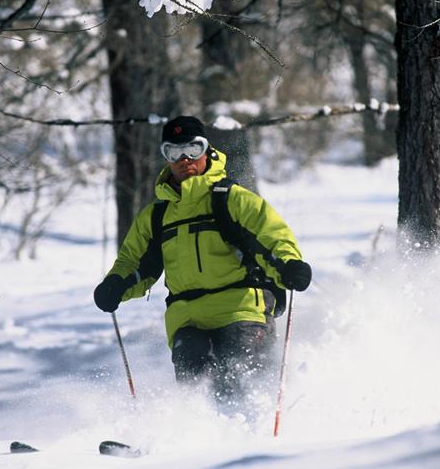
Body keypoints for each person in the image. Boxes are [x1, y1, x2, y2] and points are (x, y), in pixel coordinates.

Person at [94, 115, 311, 413]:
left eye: (193, 149)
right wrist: (115, 286)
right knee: (194, 385)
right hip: (187, 318)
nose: (184, 159)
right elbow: (134, 262)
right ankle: (196, 441)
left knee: (238, 379)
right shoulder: (156, 216)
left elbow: (271, 236)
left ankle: (254, 439)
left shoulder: (231, 198)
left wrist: (289, 265)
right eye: (174, 152)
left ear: (207, 150)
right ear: (166, 158)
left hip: (241, 308)